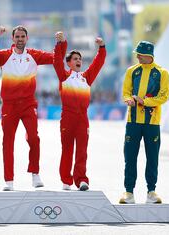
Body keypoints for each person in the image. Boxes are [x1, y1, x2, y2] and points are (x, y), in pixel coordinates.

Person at [0, 25, 54, 191]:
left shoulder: (34, 55)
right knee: (7, 142)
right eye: (17, 37)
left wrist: (61, 44)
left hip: (28, 104)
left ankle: (35, 173)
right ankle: (8, 180)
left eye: (23, 36)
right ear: (13, 39)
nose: (20, 39)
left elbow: (55, 58)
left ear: (27, 39)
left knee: (33, 138)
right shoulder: (4, 56)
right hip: (10, 105)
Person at [53, 31, 106, 191]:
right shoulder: (64, 76)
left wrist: (102, 47)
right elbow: (56, 61)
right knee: (67, 150)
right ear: (68, 62)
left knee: (82, 151)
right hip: (67, 118)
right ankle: (66, 180)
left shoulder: (86, 77)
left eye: (80, 59)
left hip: (82, 118)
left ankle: (81, 180)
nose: (78, 61)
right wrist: (60, 44)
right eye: (75, 59)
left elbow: (98, 63)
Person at [119, 41, 169, 204]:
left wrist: (144, 101)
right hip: (132, 122)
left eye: (139, 54)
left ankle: (151, 191)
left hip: (152, 123)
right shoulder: (131, 71)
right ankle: (128, 192)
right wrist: (129, 100)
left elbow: (163, 97)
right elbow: (126, 92)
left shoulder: (162, 73)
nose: (137, 56)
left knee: (152, 157)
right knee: (130, 156)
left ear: (149, 55)